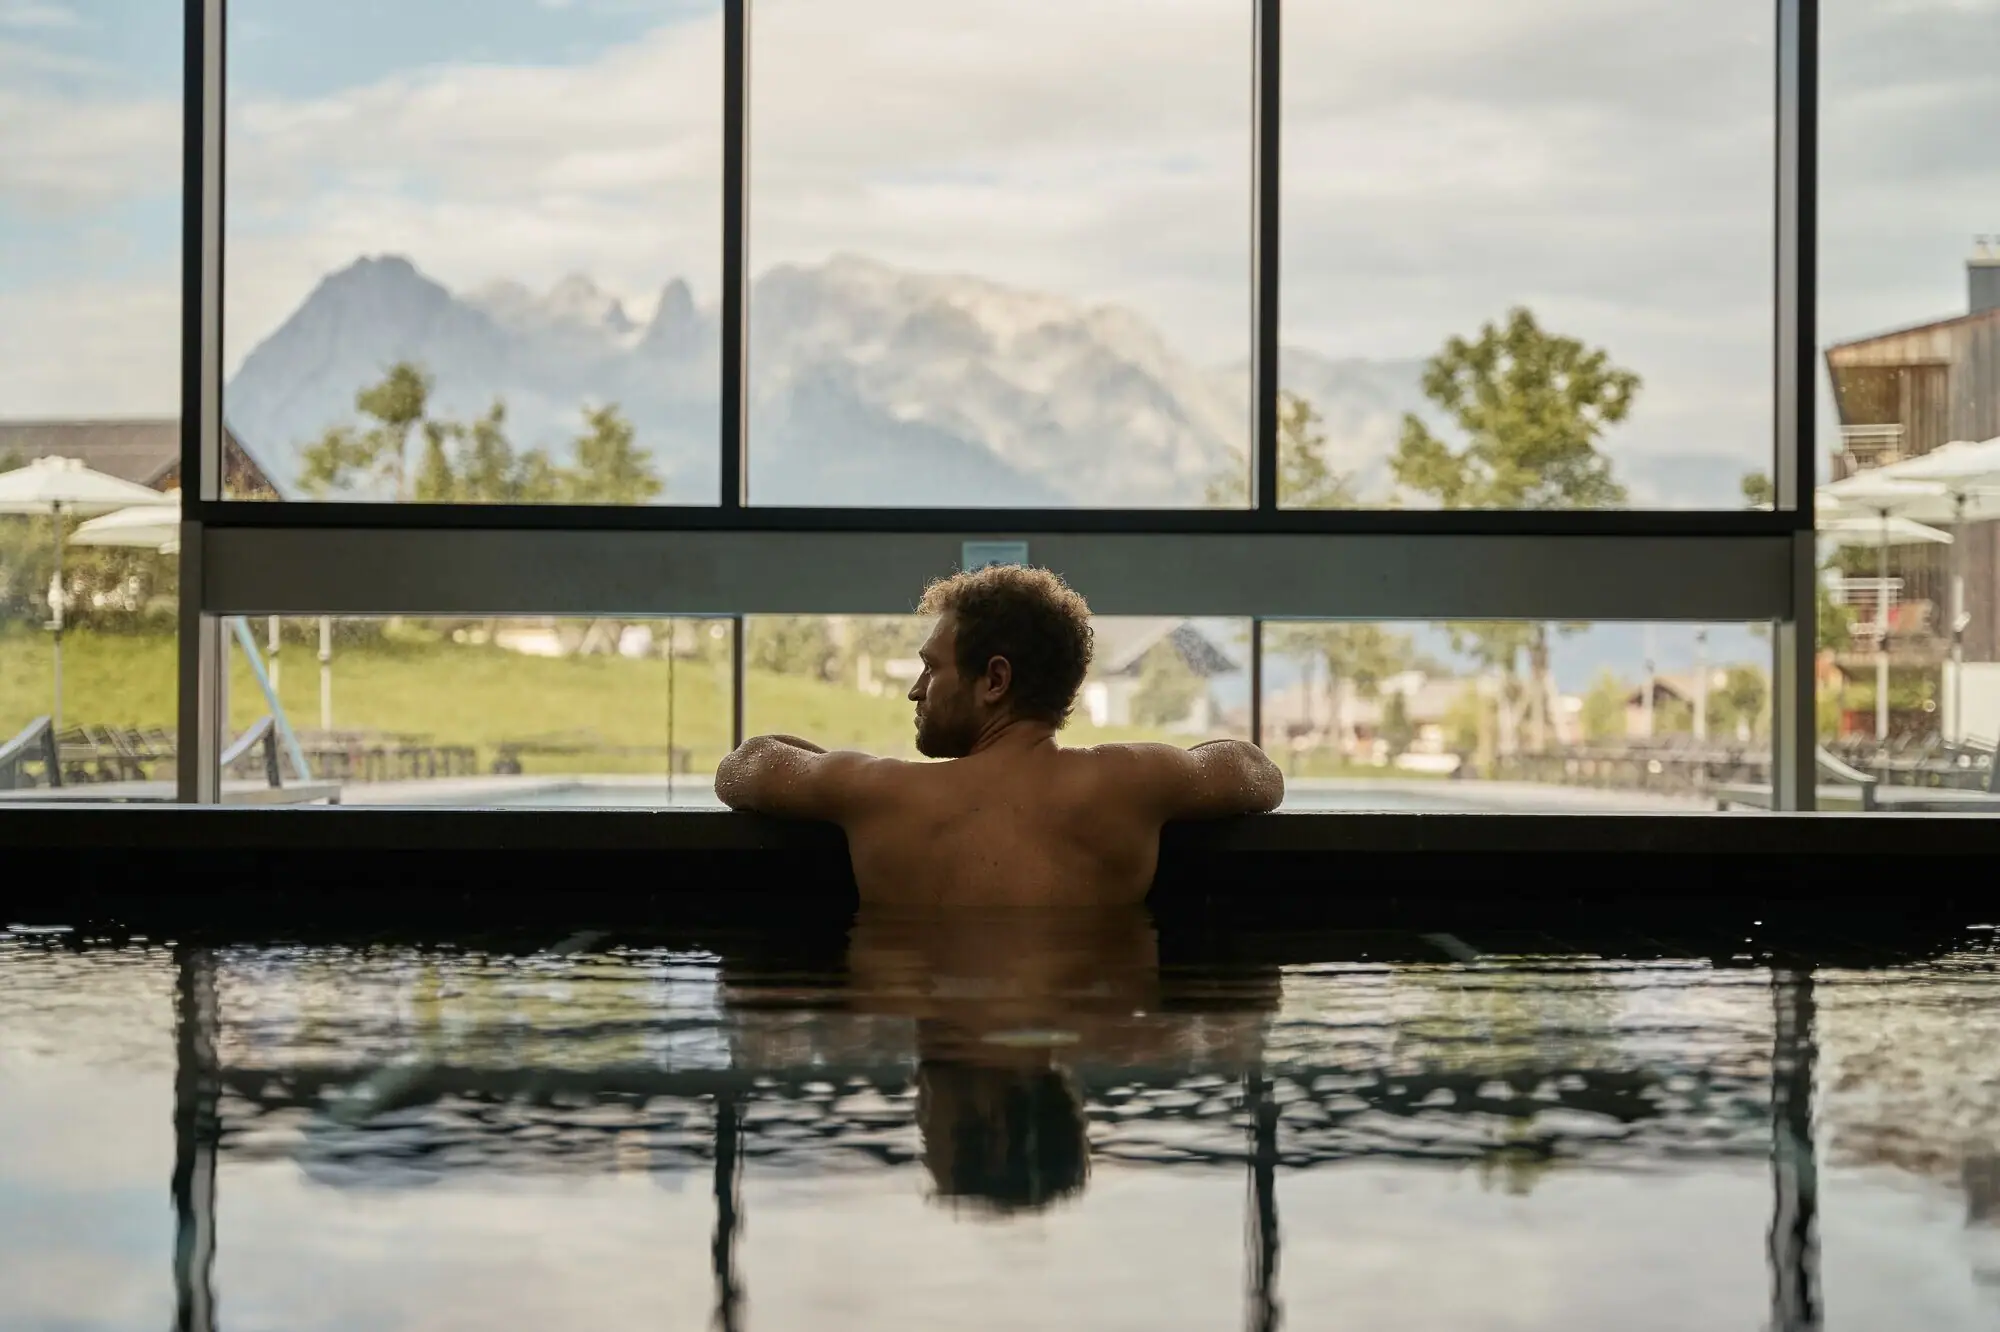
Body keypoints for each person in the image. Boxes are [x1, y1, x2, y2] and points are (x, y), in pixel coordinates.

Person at [714, 565, 1284, 905]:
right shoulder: (1133, 782)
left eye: (932, 668)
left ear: (995, 680)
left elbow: (744, 765)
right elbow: (1256, 773)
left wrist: (838, 765)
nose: (916, 690)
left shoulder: (879, 792)